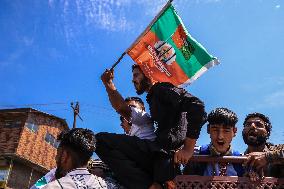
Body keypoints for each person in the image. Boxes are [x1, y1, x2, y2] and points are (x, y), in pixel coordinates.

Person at [96, 65, 206, 189]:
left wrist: (188, 149)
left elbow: (197, 106)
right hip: (161, 161)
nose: (133, 80)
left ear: (148, 73)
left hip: (163, 156)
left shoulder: (161, 89)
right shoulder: (155, 97)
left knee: (101, 140)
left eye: (136, 75)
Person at [183, 108, 244, 176]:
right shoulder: (194, 153)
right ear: (208, 129)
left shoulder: (242, 161)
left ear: (234, 131)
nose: (220, 136)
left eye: (226, 131)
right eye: (215, 130)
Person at [42, 128, 110, 189]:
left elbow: (36, 186)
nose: (56, 158)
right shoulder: (105, 185)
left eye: (58, 153)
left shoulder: (53, 184)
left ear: (64, 156)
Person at [242, 112, 284, 180]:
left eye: (258, 125)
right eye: (248, 124)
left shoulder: (278, 149)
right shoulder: (239, 158)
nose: (252, 126)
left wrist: (267, 157)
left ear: (267, 133)